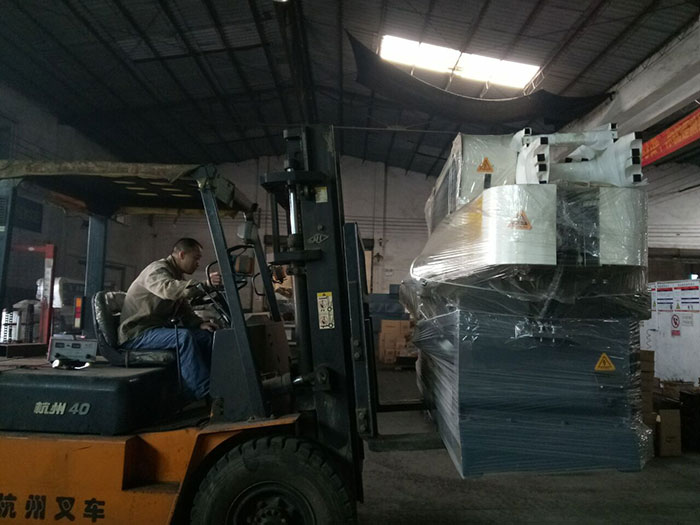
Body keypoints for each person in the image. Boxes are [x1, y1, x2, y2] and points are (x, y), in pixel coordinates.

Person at [118, 238, 219, 400]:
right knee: (183, 337)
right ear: (182, 255)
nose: (198, 263)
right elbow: (169, 290)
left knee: (207, 337)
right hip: (137, 333)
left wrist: (200, 323)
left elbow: (183, 309)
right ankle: (206, 393)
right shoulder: (157, 270)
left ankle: (210, 385)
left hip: (156, 331)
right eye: (196, 258)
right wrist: (204, 285)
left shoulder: (176, 276)